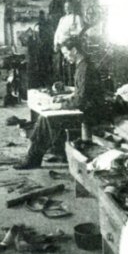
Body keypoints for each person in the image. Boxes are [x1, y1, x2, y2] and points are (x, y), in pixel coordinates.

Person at [17, 36, 113, 169]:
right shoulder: (83, 65)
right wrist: (65, 98)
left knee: (47, 119)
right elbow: (80, 92)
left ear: (74, 50)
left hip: (90, 112)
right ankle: (55, 152)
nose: (66, 57)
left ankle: (33, 159)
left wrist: (59, 105)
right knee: (46, 117)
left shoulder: (84, 68)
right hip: (87, 107)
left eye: (66, 53)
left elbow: (81, 100)